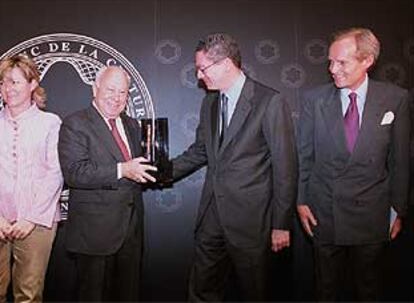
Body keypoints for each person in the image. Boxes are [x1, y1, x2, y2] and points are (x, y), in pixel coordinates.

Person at [172, 33, 298, 301]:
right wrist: (159, 173)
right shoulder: (210, 102)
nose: (198, 76)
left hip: (253, 223)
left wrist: (281, 224)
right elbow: (200, 152)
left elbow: (286, 167)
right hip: (211, 218)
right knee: (202, 291)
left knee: (255, 293)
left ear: (226, 64)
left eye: (202, 68)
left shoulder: (269, 101)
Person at [297, 27, 410, 301]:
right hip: (325, 211)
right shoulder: (314, 100)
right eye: (330, 62)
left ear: (367, 61)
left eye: (341, 62)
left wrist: (398, 209)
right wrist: (301, 202)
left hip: (372, 213)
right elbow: (304, 156)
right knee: (326, 289)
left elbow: (401, 160)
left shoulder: (395, 98)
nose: (333, 69)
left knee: (369, 288)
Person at [58, 65, 156, 301]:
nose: (116, 97)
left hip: (130, 233)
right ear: (95, 88)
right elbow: (75, 173)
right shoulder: (75, 123)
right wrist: (123, 169)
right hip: (94, 236)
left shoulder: (133, 125)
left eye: (122, 92)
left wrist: (155, 170)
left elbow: (140, 169)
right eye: (111, 90)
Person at [0, 55, 63, 302]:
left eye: (14, 82)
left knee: (28, 294)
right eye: (3, 83)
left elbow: (55, 173)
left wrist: (31, 218)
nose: (8, 89)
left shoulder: (50, 123)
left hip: (37, 221)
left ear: (33, 84)